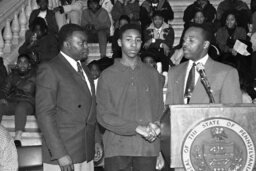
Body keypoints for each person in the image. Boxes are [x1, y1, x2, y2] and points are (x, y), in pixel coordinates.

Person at [162, 24, 242, 169]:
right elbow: (169, 112)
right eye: (184, 40)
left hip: (212, 152)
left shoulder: (226, 73)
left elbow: (234, 117)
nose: (184, 44)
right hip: (180, 150)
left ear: (205, 44)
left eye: (191, 40)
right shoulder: (175, 72)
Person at [96, 23, 164, 171]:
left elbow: (159, 110)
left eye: (138, 40)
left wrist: (157, 127)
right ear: (120, 43)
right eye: (128, 39)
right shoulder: (107, 75)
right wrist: (136, 128)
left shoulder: (152, 74)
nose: (134, 44)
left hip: (147, 148)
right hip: (117, 148)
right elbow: (103, 115)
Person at [36, 24, 99, 171]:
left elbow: (91, 109)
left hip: (85, 150)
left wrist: (96, 140)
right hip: (64, 154)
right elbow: (45, 114)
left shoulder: (85, 70)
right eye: (81, 43)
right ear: (67, 44)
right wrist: (59, 153)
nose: (86, 47)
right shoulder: (50, 69)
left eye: (86, 42)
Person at [0, 54, 36, 147]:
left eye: (25, 62)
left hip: (28, 103)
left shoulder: (36, 76)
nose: (22, 65)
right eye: (20, 62)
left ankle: (17, 138)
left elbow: (42, 92)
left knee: (21, 107)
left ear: (29, 65)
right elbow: (4, 89)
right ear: (17, 65)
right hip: (13, 101)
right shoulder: (12, 76)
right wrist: (2, 97)